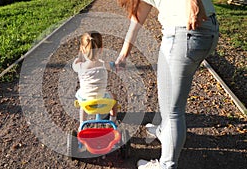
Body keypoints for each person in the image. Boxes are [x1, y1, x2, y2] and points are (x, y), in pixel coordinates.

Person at [115, 0, 219, 168]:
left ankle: (166, 165)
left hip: (185, 33)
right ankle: (165, 131)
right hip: (205, 32)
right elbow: (136, 23)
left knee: (172, 111)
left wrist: (193, 2)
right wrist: (123, 55)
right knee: (170, 97)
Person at [72, 31, 117, 126]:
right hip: (102, 99)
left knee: (82, 99)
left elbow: (74, 64)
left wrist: (79, 57)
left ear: (82, 50)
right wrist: (114, 65)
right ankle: (113, 120)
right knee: (114, 97)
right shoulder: (104, 65)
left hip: (86, 102)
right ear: (101, 50)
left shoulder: (80, 66)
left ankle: (82, 123)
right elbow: (112, 66)